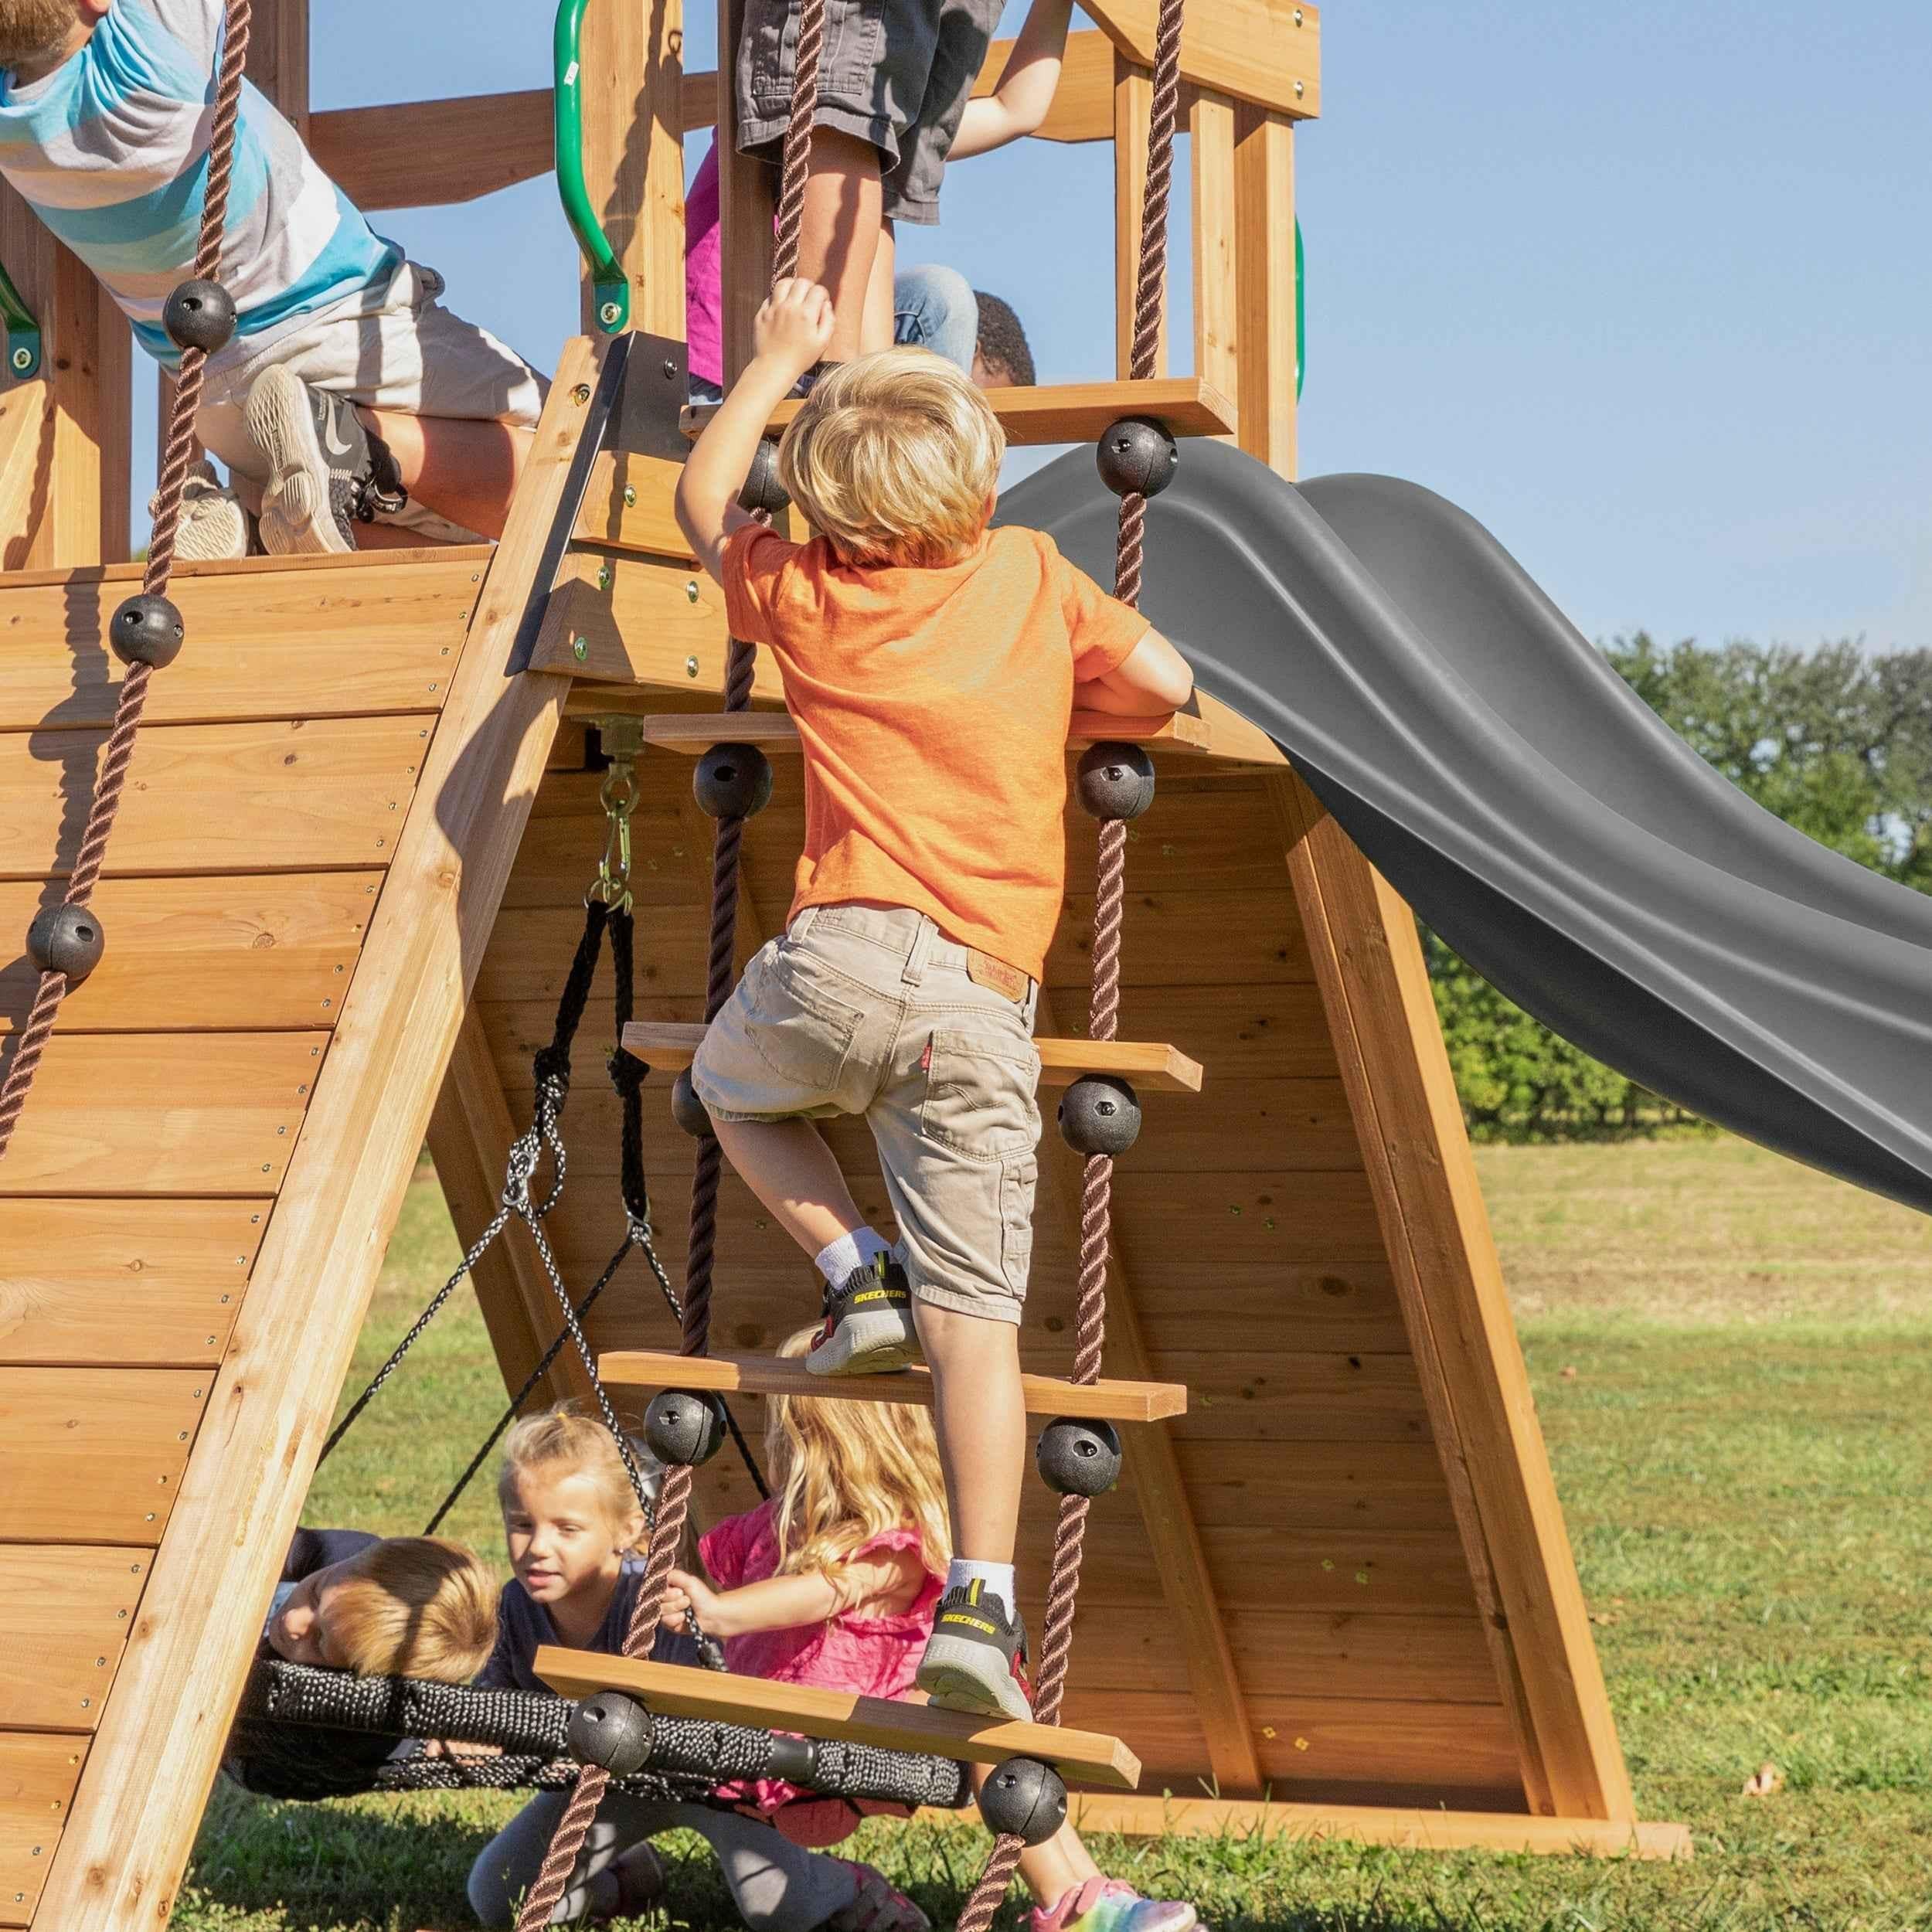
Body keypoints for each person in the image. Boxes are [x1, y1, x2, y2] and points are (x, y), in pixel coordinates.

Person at [672, 282, 1194, 1725]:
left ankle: (855, 1276)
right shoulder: (1029, 574)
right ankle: (980, 1599)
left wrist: (776, 360)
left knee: (728, 1087)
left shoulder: (809, 590)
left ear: (826, 502)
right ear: (977, 478)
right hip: (978, 993)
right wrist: (1062, 707)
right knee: (981, 1327)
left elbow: (702, 497)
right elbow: (1165, 682)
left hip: (836, 956)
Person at [663, 1329, 1200, 1932]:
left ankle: (1085, 1896)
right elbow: (717, 1572)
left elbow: (829, 1589)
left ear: (824, 1445)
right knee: (981, 1713)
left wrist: (720, 1613)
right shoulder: (767, 1529)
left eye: (787, 1430)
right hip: (793, 1748)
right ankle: (1077, 1906)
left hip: (859, 1732)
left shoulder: (894, 1548)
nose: (776, 1445)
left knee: (986, 1707)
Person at [0, 0, 546, 559]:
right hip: (336, 331)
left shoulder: (13, 134)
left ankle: (257, 526)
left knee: (435, 525)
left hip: (220, 404)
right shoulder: (146, 48)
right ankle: (349, 444)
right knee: (574, 455)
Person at [467, 1405, 926, 1932]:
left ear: (627, 1530)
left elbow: (710, 1705)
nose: (538, 1548)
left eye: (566, 1529)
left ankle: (850, 1888)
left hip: (716, 1782)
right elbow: (496, 1701)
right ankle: (626, 1877)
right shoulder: (515, 1607)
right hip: (612, 1782)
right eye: (522, 1525)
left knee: (780, 1911)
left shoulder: (654, 1601)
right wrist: (474, 1735)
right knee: (499, 1896)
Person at [699, 0, 1072, 381]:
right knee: (940, 295)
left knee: (939, 295)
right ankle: (841, 384)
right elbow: (842, 107)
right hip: (727, 340)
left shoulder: (871, 148)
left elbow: (1017, 111)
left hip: (808, 338)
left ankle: (868, 390)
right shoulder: (835, 132)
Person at [223, 1526, 499, 1795]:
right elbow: (255, 1541)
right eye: (316, 1595)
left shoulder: (357, 1727)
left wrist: (450, 1733)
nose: (293, 1621)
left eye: (319, 1641)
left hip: (267, 1746)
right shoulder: (348, 1555)